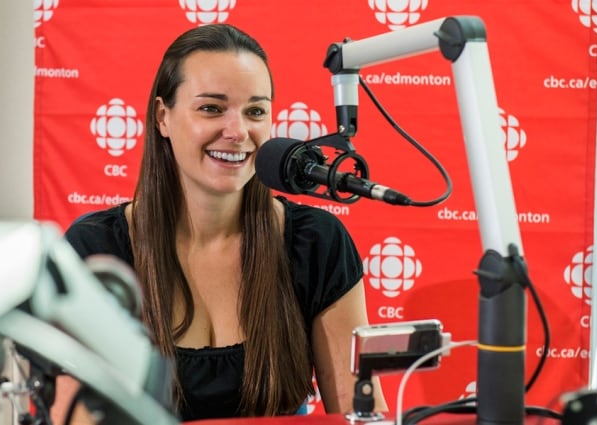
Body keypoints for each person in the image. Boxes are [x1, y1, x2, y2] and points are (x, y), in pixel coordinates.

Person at [61, 23, 387, 421]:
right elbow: (72, 416)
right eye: (211, 108)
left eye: (255, 111)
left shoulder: (316, 241)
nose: (237, 132)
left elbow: (361, 412)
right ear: (163, 117)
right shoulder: (97, 249)